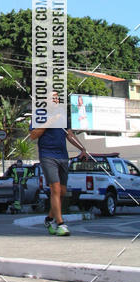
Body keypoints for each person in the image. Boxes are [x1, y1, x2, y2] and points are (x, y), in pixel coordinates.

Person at [29, 93, 88, 236]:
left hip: (63, 156)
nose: (56, 100)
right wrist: (50, 122)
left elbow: (69, 135)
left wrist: (82, 148)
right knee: (55, 189)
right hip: (48, 156)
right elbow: (33, 135)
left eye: (57, 98)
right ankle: (61, 224)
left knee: (61, 192)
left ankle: (49, 219)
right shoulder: (39, 114)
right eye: (52, 98)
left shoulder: (62, 116)